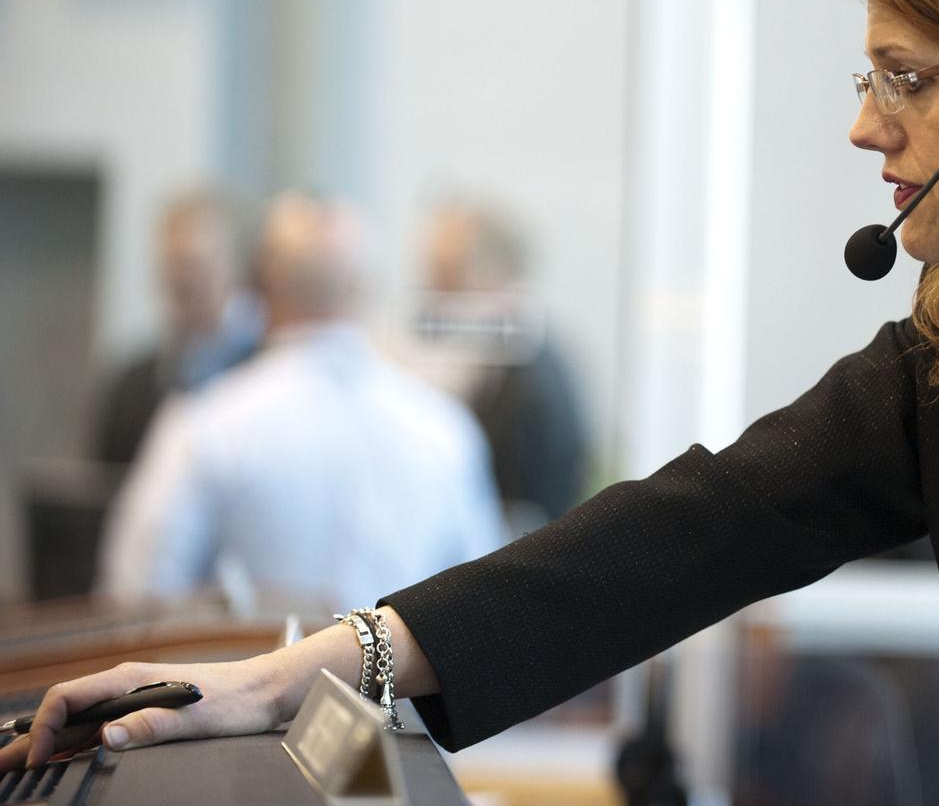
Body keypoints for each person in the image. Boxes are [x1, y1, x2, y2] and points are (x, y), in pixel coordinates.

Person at [6, 0, 939, 805]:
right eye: (864, 72)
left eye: (910, 77)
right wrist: (290, 672)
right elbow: (684, 530)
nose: (862, 123)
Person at [96, 192, 506, 609]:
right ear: (366, 288)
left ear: (262, 288)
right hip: (400, 675)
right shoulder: (446, 431)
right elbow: (481, 601)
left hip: (250, 669)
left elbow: (137, 593)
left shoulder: (206, 424)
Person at [409, 198, 589, 527]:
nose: (433, 292)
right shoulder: (499, 355)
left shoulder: (531, 374)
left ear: (495, 272)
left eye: (447, 275)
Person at [92, 190, 262, 482]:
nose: (181, 280)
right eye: (171, 265)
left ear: (234, 268)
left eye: (194, 264)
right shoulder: (133, 384)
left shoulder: (264, 373)